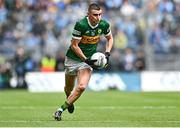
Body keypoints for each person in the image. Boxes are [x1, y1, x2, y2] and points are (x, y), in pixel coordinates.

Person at [53, 3, 113, 121]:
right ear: (88, 14)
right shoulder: (81, 25)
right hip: (73, 59)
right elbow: (74, 45)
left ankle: (60, 110)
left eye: (100, 14)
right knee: (68, 88)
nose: (98, 17)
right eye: (95, 15)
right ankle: (69, 100)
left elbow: (110, 38)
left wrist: (107, 53)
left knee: (81, 87)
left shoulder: (104, 24)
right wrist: (85, 59)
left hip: (88, 60)